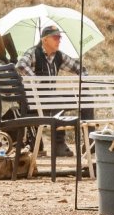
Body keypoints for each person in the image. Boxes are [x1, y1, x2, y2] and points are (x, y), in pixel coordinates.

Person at [15, 24, 89, 158]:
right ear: (44, 40)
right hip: (33, 100)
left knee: (86, 99)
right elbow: (20, 65)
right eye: (55, 37)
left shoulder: (58, 56)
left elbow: (80, 68)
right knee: (58, 100)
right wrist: (36, 82)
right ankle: (59, 145)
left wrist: (85, 81)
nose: (59, 40)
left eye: (60, 37)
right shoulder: (33, 52)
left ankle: (91, 143)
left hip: (52, 99)